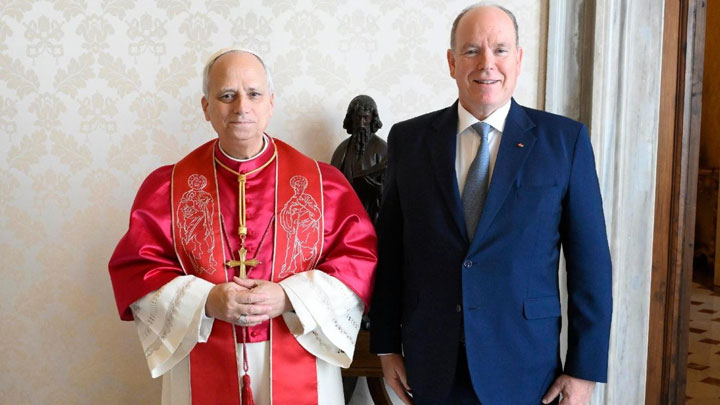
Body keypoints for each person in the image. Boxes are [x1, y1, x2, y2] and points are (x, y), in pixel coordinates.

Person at [369, 4, 612, 405]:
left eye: (500, 50)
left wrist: (583, 369)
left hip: (526, 365)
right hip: (432, 362)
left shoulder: (564, 142)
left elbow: (591, 265)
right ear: (452, 62)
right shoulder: (409, 140)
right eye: (471, 51)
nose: (487, 64)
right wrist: (385, 345)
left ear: (518, 59)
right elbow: (391, 252)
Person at [109, 48, 377, 405]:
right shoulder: (167, 188)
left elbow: (358, 263)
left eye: (253, 94)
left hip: (299, 353)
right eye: (226, 96)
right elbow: (138, 271)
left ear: (271, 103)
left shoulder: (324, 185)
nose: (241, 107)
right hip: (203, 352)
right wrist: (206, 301)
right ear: (206, 107)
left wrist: (288, 297)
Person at [331, 95, 388, 224]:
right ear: (351, 118)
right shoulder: (342, 149)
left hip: (373, 216)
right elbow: (332, 185)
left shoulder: (382, 149)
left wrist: (377, 189)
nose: (361, 124)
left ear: (372, 119)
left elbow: (391, 189)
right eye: (358, 118)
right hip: (346, 216)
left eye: (365, 118)